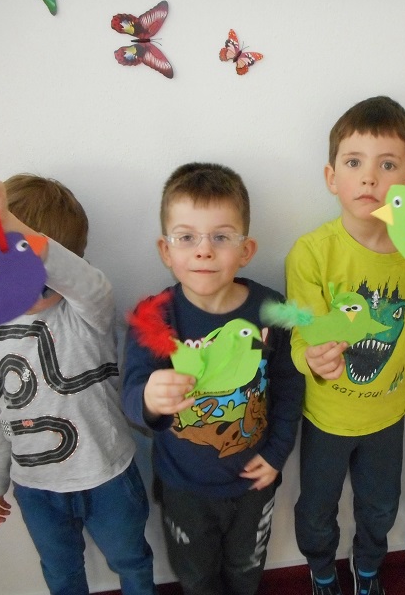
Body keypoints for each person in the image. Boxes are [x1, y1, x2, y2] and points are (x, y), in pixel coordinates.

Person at [0, 162, 156, 595]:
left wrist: (12, 227)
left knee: (131, 560)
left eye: (31, 282)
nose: (16, 295)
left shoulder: (88, 313)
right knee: (61, 573)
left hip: (107, 478)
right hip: (36, 490)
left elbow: (89, 285)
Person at [122, 162, 304, 595]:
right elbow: (130, 393)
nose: (204, 251)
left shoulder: (271, 309)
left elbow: (290, 386)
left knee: (246, 570)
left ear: (246, 250)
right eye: (186, 237)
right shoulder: (155, 316)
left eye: (221, 237)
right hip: (183, 486)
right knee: (196, 577)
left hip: (254, 480)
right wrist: (148, 398)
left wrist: (277, 453)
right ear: (166, 251)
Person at [286, 95, 405, 595]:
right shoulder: (311, 253)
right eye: (354, 163)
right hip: (327, 418)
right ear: (332, 177)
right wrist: (311, 357)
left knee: (381, 507)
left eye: (387, 165)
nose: (369, 178)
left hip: (387, 418)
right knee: (316, 508)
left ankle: (368, 569)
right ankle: (322, 571)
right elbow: (302, 334)